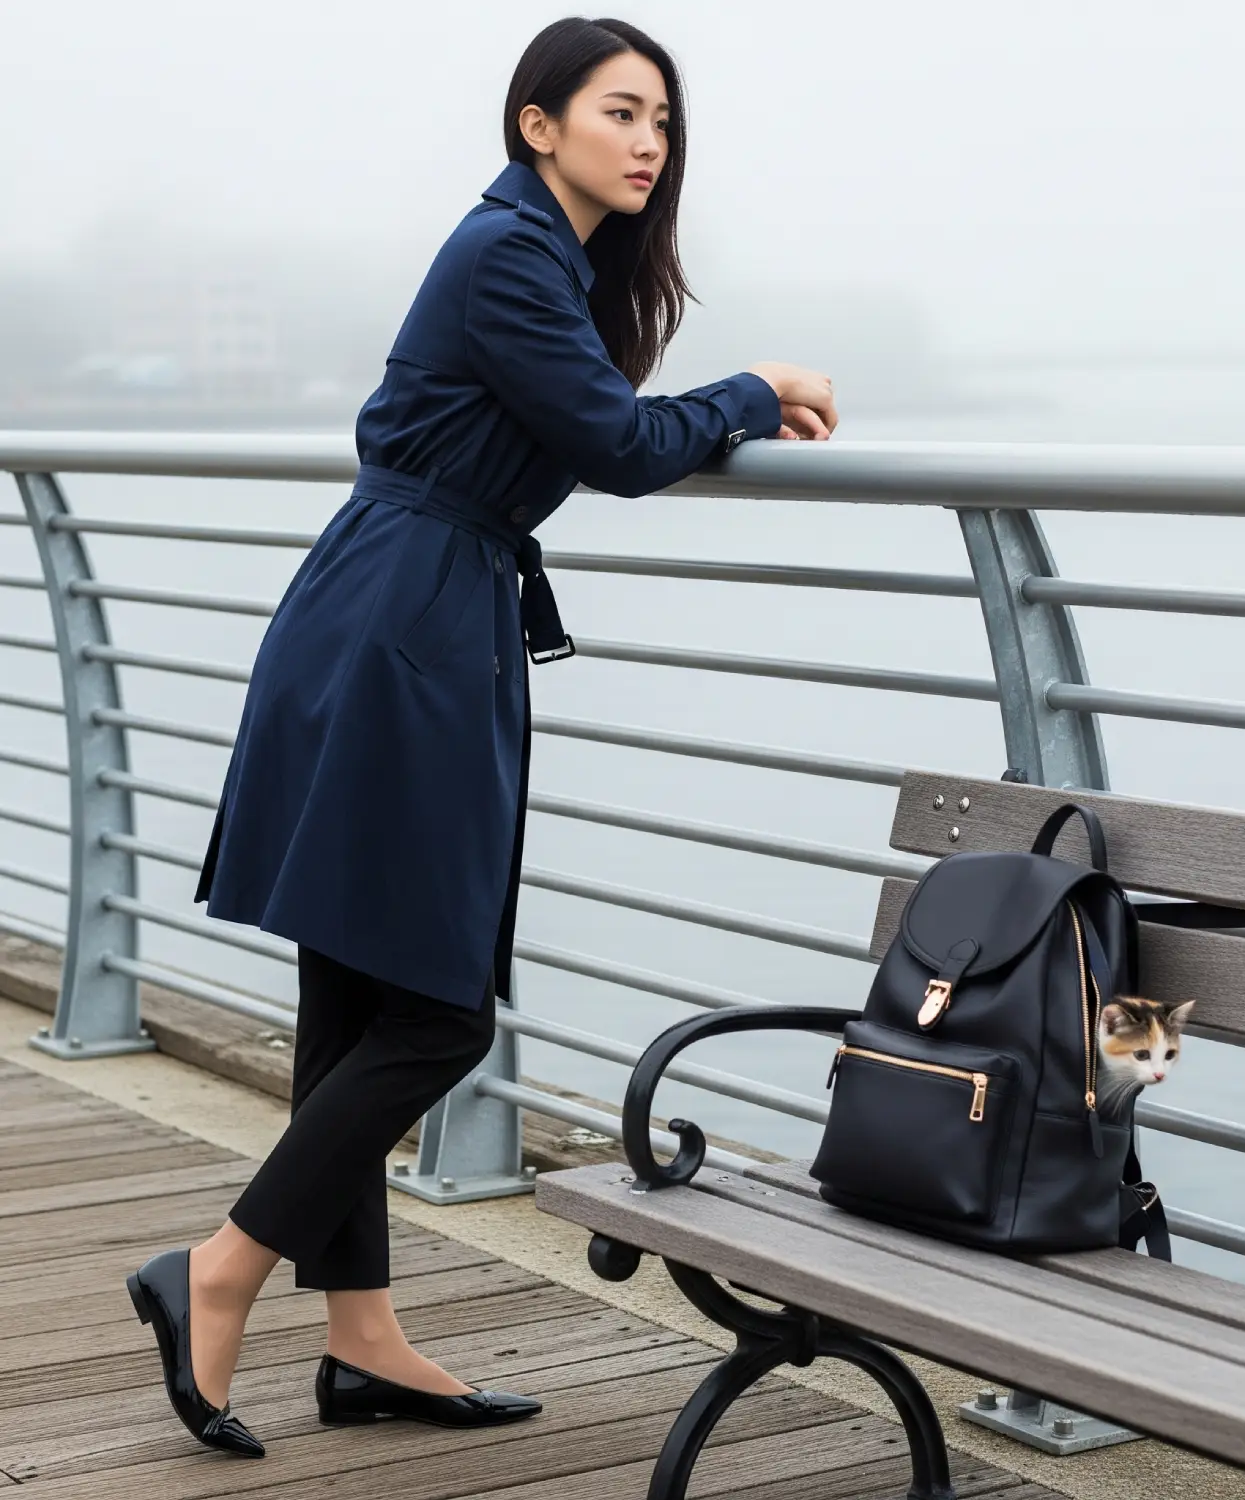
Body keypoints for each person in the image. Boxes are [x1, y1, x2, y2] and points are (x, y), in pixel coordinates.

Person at [125, 14, 838, 1459]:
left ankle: (361, 1337)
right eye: (621, 113)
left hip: (399, 609)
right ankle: (216, 1268)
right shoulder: (511, 254)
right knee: (439, 1010)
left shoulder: (536, 255)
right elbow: (621, 447)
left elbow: (585, 427)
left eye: (662, 124)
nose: (647, 143)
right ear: (537, 123)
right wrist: (751, 394)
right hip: (406, 633)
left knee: (358, 989)